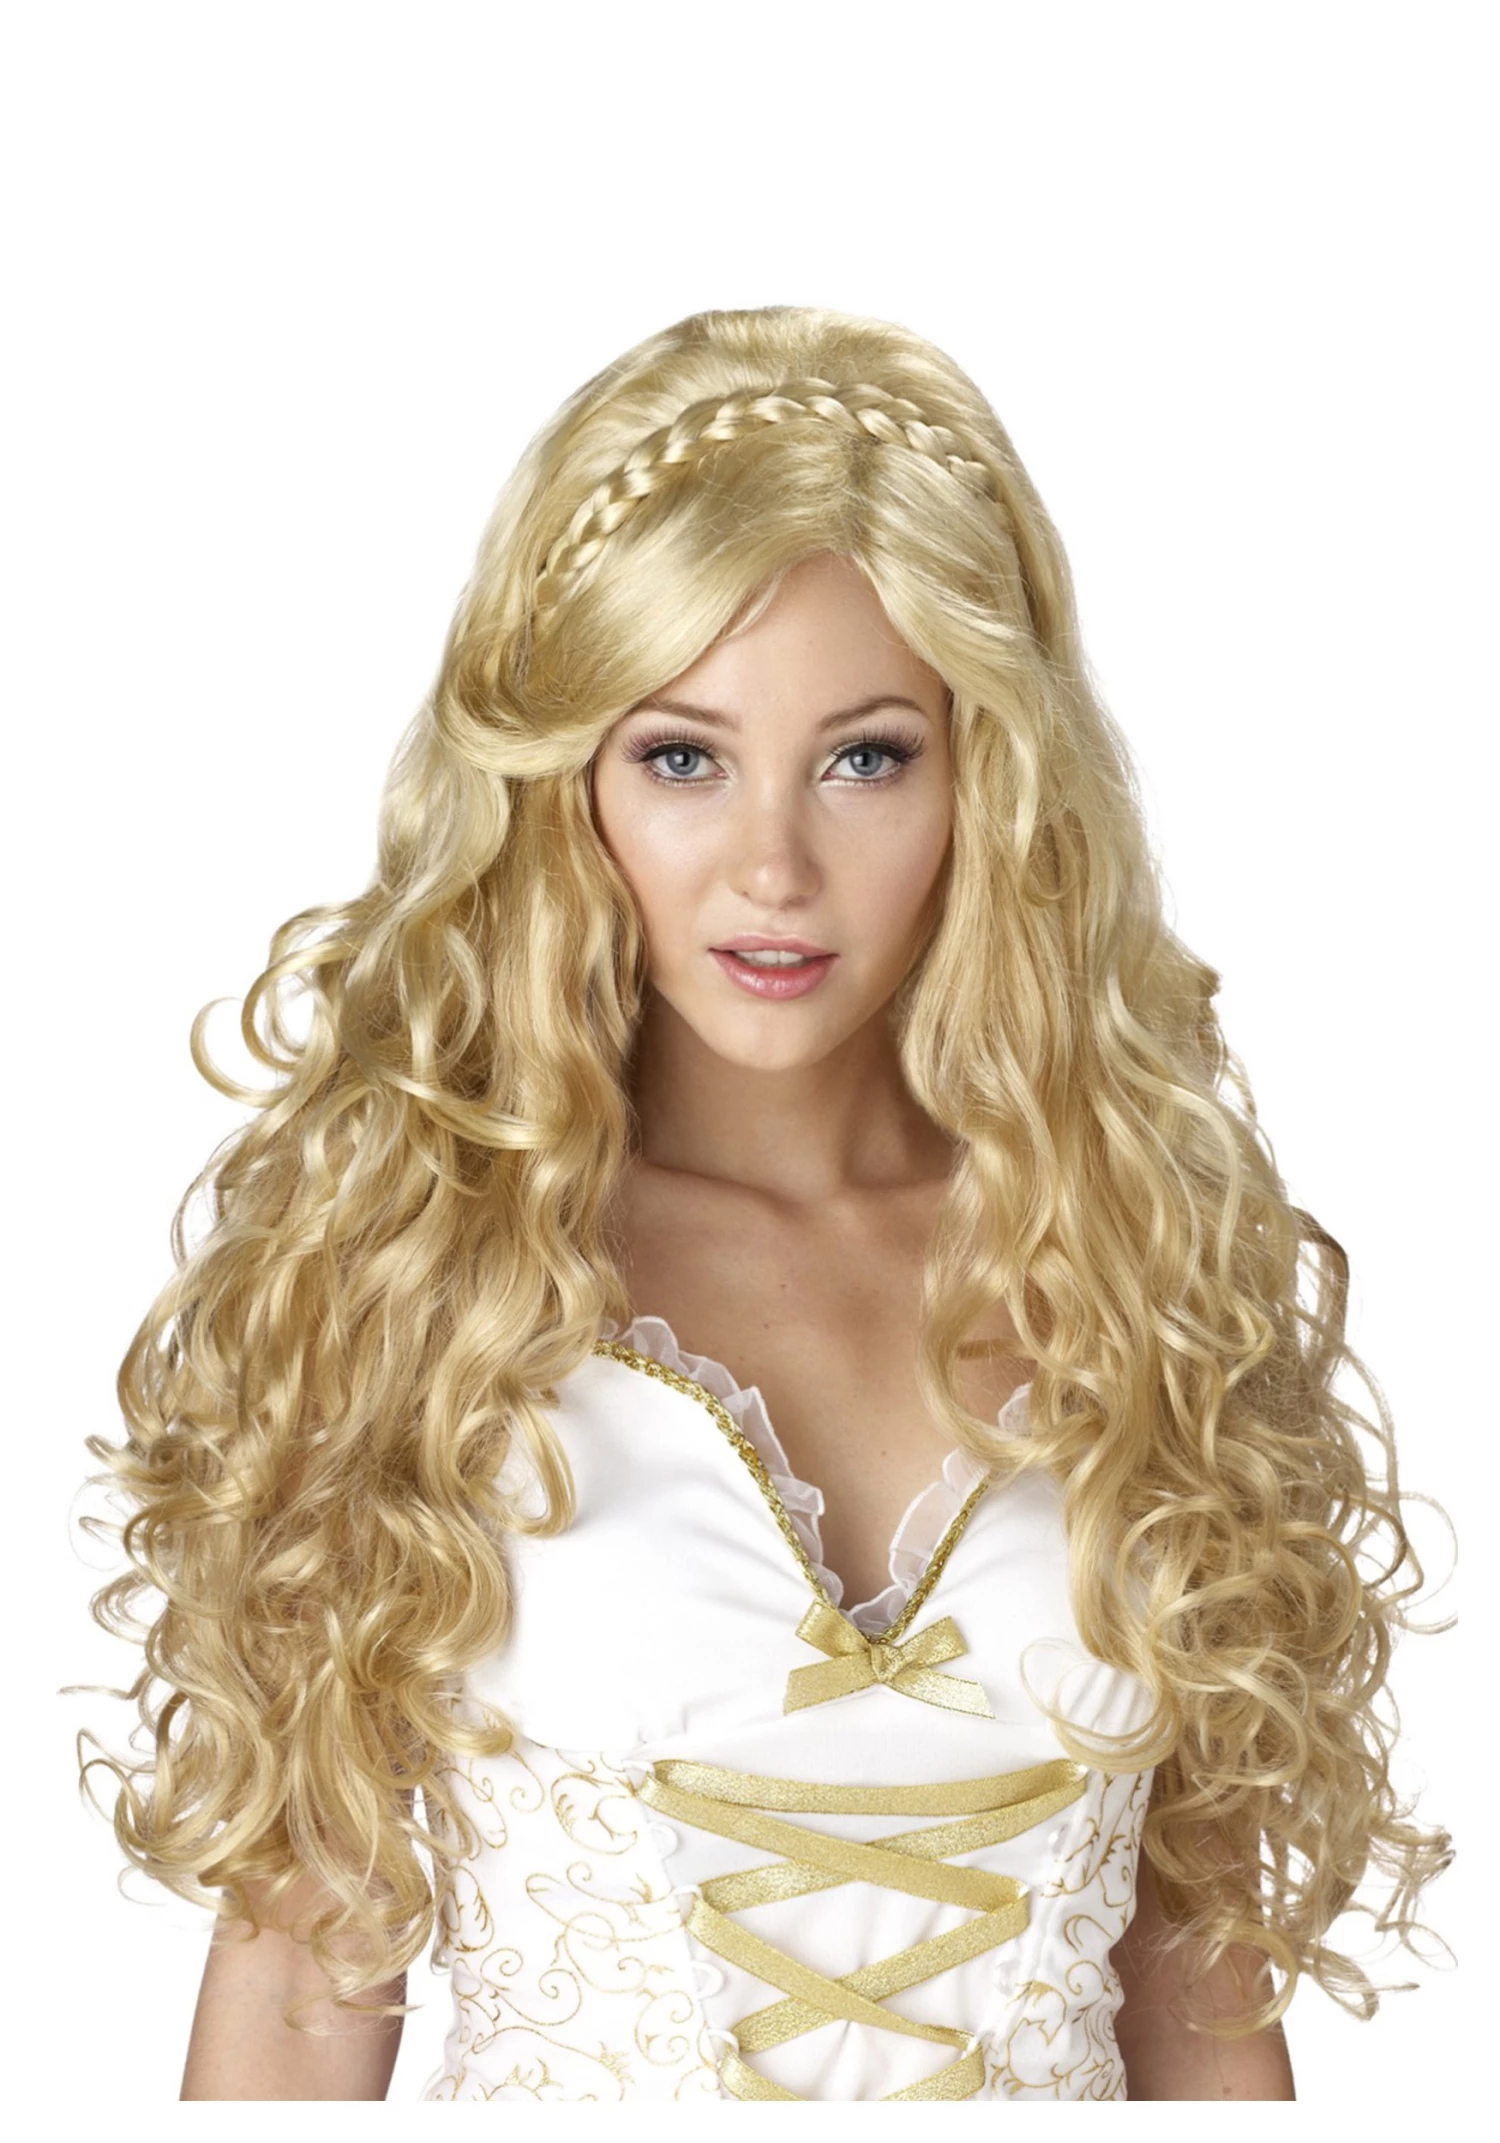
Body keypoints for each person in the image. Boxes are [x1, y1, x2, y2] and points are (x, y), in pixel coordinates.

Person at [77, 304, 1450, 2101]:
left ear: (985, 776)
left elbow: (1197, 1995)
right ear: (565, 780)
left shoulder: (1135, 1260)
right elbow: (294, 1985)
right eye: (683, 756)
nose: (775, 865)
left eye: (866, 756)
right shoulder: (421, 1266)